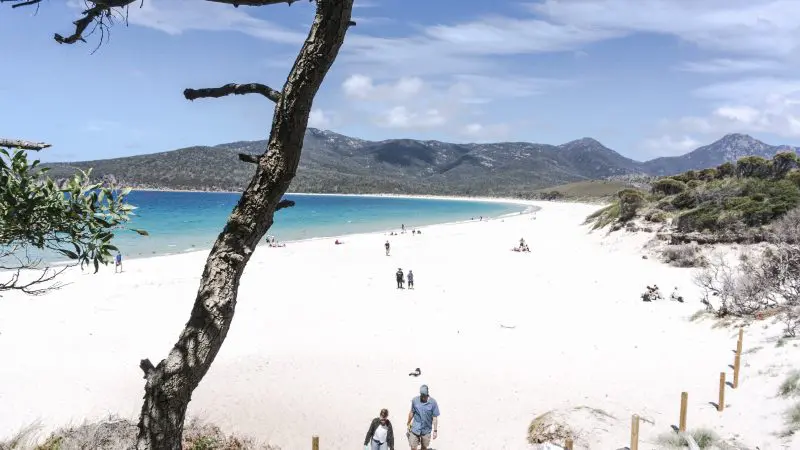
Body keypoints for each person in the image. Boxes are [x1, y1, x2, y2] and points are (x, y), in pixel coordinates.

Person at [407, 384, 439, 450]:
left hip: (426, 430)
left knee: (424, 447)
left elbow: (435, 418)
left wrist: (435, 431)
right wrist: (408, 422)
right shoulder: (415, 400)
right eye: (422, 395)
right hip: (415, 428)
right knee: (413, 447)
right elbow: (412, 412)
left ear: (427, 394)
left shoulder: (433, 402)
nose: (423, 397)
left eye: (424, 395)